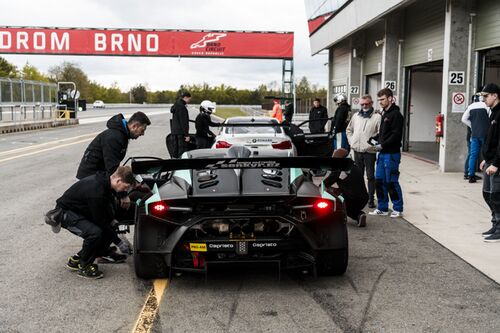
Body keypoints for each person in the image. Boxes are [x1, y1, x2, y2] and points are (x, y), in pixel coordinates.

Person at [45, 166, 136, 279]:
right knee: (95, 233)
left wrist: (113, 221)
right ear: (118, 181)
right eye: (126, 187)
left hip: (81, 211)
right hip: (66, 214)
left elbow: (105, 209)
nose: (125, 191)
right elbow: (101, 221)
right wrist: (119, 242)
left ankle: (83, 257)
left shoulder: (107, 182)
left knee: (110, 228)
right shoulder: (96, 191)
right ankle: (84, 266)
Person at [76, 111, 151, 179]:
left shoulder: (122, 135)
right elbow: (112, 169)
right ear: (135, 126)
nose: (142, 134)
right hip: (89, 178)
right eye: (142, 130)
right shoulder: (114, 137)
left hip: (98, 175)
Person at [368, 88, 404, 218]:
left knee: (391, 182)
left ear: (390, 98)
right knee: (379, 181)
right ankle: (382, 208)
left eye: (382, 99)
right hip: (382, 155)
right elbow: (383, 134)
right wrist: (374, 139)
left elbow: (396, 135)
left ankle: (398, 208)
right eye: (379, 100)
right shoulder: (385, 114)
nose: (380, 102)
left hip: (391, 155)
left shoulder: (396, 115)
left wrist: (382, 145)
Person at [346, 94, 381, 208]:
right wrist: (352, 142)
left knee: (370, 176)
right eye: (362, 104)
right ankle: (359, 197)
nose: (364, 106)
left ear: (371, 104)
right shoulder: (356, 116)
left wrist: (374, 146)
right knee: (358, 176)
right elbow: (349, 130)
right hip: (357, 150)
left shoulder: (377, 117)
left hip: (369, 152)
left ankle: (371, 199)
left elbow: (380, 134)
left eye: (367, 104)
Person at [324, 148, 369, 227]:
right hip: (363, 199)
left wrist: (317, 186)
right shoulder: (355, 166)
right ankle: (359, 215)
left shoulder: (339, 168)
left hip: (351, 199)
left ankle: (336, 215)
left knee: (330, 191)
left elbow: (326, 183)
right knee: (348, 203)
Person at [479, 83, 500, 242]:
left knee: (496, 196)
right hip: (490, 161)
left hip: (497, 164)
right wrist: (486, 158)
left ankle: (499, 230)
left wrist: (496, 163)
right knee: (487, 194)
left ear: (495, 95)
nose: (483, 99)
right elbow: (490, 140)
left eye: (486, 96)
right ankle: (495, 224)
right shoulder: (493, 113)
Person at [462, 93, 489, 183]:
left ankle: (471, 176)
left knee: (473, 155)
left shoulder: (470, 107)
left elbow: (463, 119)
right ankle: (487, 174)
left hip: (474, 134)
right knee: (487, 154)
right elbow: (490, 117)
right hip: (485, 134)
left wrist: (472, 126)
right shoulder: (486, 106)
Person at [170, 91, 192, 158]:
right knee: (182, 151)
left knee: (175, 150)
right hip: (181, 133)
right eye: (189, 99)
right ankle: (181, 166)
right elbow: (184, 123)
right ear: (185, 98)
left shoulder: (176, 105)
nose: (189, 100)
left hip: (174, 132)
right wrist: (187, 135)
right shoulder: (182, 107)